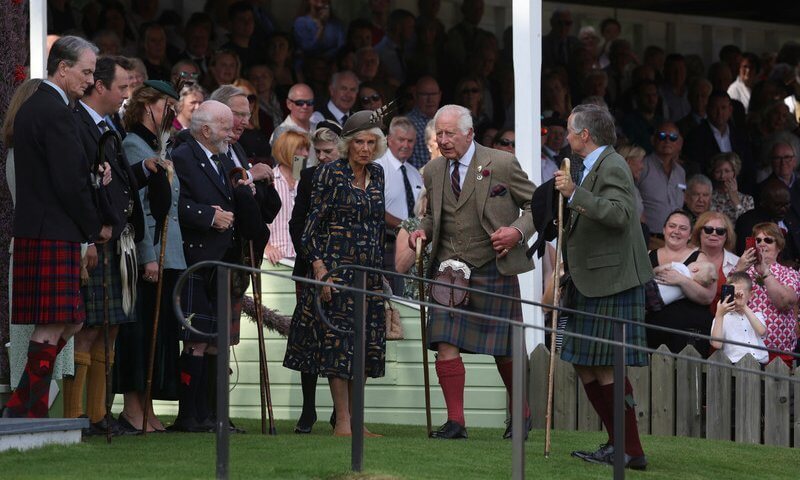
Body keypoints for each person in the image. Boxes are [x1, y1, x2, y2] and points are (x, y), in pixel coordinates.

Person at [409, 104, 536, 440]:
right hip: (448, 271)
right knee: (444, 341)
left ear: (469, 133)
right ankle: (456, 422)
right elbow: (433, 218)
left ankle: (521, 414)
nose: (444, 140)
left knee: (507, 347)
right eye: (440, 133)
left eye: (451, 133)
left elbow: (535, 205)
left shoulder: (502, 163)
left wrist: (517, 232)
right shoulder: (434, 170)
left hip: (493, 267)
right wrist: (423, 231)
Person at [3, 36, 111, 419]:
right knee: (51, 326)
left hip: (46, 229)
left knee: (72, 318)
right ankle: (24, 409)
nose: (90, 80)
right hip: (54, 230)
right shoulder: (55, 111)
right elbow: (68, 182)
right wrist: (94, 226)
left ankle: (24, 402)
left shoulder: (39, 107)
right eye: (85, 72)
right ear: (62, 68)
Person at [553, 104, 650, 469]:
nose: (565, 136)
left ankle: (632, 451)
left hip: (613, 281)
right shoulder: (588, 165)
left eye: (569, 130)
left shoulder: (613, 165)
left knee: (607, 365)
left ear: (584, 135)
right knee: (584, 364)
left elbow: (621, 214)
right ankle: (616, 442)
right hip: (592, 278)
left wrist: (575, 194)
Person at [284, 109, 388, 437]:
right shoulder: (330, 174)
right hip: (337, 270)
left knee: (366, 345)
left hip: (368, 272)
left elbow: (376, 224)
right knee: (337, 345)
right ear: (347, 144)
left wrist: (380, 272)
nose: (365, 148)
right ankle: (342, 421)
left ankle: (356, 420)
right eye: (359, 141)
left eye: (372, 142)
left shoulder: (379, 174)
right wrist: (320, 268)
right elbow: (310, 228)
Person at [169, 100, 262, 432]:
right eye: (225, 126)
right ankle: (188, 416)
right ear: (205, 130)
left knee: (214, 340)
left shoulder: (221, 158)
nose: (231, 132)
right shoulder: (181, 158)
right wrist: (208, 216)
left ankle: (210, 415)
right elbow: (170, 202)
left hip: (222, 259)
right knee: (195, 339)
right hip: (197, 260)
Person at [70, 55, 150, 434]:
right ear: (100, 87)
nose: (125, 95)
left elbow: (113, 180)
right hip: (94, 239)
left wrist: (143, 172)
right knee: (87, 329)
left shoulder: (106, 124)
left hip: (117, 237)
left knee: (110, 327)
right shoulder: (77, 124)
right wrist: (90, 232)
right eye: (121, 87)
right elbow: (78, 184)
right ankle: (76, 418)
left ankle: (100, 415)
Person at [115, 80, 182, 433]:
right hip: (150, 251)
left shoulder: (158, 146)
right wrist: (147, 255)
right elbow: (138, 207)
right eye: (165, 105)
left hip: (169, 252)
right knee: (139, 333)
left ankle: (150, 408)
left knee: (159, 336)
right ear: (146, 106)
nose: (171, 113)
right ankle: (132, 408)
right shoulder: (132, 145)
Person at [285, 122, 341, 434]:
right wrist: (312, 258)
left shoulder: (358, 177)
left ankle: (339, 412)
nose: (321, 156)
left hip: (345, 268)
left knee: (341, 339)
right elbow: (296, 224)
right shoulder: (307, 177)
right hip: (309, 268)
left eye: (328, 151)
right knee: (308, 338)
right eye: (317, 151)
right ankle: (308, 411)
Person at [646, 211, 716, 357]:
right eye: (672, 226)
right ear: (664, 229)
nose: (676, 231)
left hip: (689, 332)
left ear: (690, 235)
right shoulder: (648, 256)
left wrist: (681, 280)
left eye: (683, 228)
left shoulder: (700, 258)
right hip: (652, 329)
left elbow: (708, 296)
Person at [375, 116, 423, 294]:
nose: (406, 145)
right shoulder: (377, 169)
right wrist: (407, 227)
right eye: (401, 139)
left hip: (414, 248)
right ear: (389, 139)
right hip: (387, 247)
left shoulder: (415, 174)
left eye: (410, 141)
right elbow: (376, 209)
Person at [742, 223, 800, 367]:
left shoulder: (789, 273)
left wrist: (766, 272)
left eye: (768, 240)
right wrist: (738, 269)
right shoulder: (743, 271)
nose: (762, 244)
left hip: (778, 353)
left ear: (778, 247)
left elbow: (784, 303)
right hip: (743, 351)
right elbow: (726, 302)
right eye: (758, 240)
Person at [264, 130, 310, 264]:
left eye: (306, 149)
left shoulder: (306, 181)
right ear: (287, 150)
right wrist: (266, 247)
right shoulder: (268, 180)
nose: (306, 154)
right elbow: (257, 220)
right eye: (300, 149)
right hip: (274, 258)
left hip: (301, 259)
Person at [637, 122, 686, 241]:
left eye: (673, 137)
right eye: (662, 136)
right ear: (653, 140)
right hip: (649, 238)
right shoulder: (642, 166)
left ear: (679, 143)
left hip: (676, 239)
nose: (667, 141)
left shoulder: (681, 172)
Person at [692, 211, 747, 314]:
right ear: (699, 232)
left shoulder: (737, 263)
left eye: (720, 231)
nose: (714, 233)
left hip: (724, 323)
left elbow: (740, 300)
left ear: (727, 235)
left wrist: (738, 271)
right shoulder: (687, 257)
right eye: (708, 230)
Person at [710, 272, 769, 364]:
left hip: (759, 363)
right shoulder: (722, 318)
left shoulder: (756, 315)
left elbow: (762, 332)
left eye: (739, 295)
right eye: (732, 295)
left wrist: (744, 306)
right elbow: (716, 344)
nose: (735, 299)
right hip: (734, 364)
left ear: (751, 295)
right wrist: (719, 315)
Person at [407, 76, 442, 169]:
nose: (430, 99)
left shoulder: (448, 121)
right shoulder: (407, 124)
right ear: (415, 95)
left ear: (440, 95)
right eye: (425, 94)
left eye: (433, 94)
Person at [709, 152, 754, 221]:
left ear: (735, 173)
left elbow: (747, 223)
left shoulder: (747, 199)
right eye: (718, 171)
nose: (722, 176)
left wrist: (735, 199)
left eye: (727, 171)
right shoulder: (708, 197)